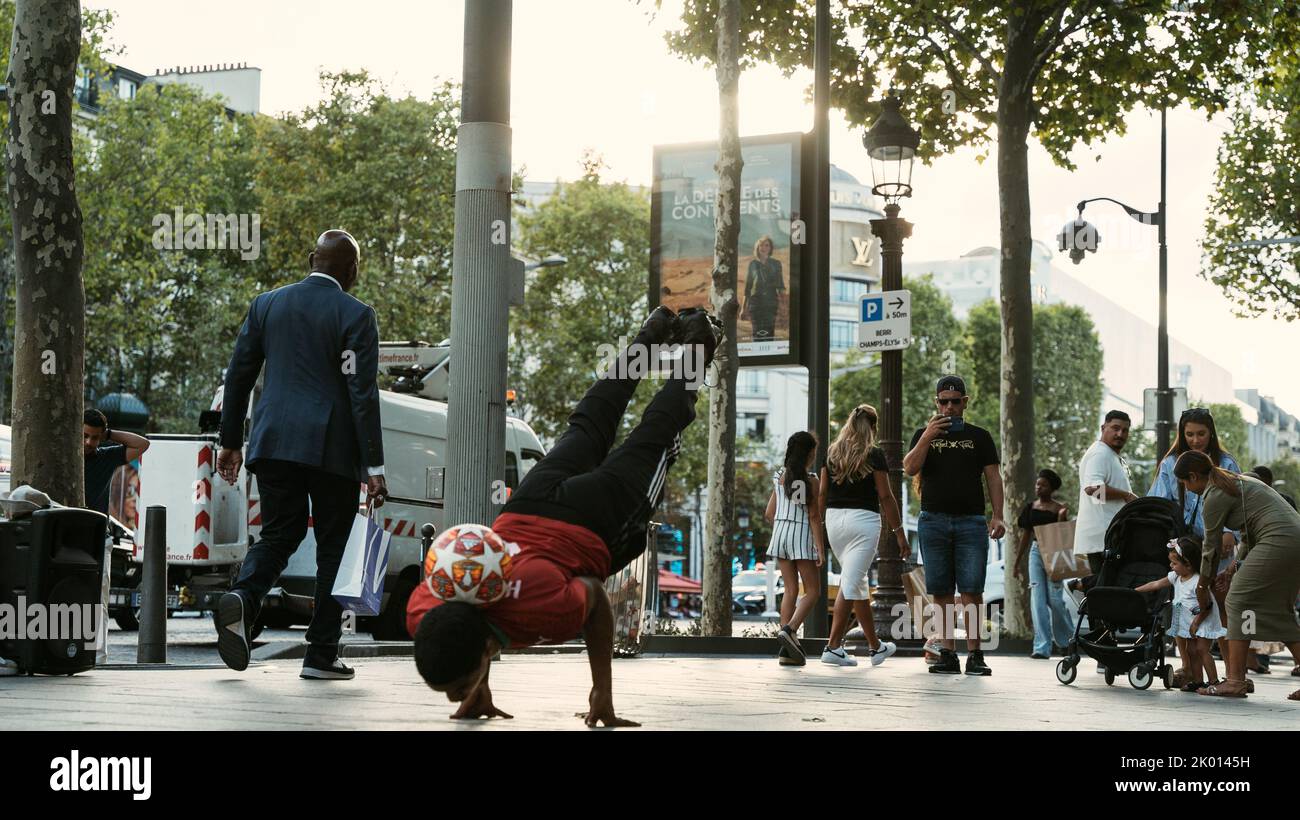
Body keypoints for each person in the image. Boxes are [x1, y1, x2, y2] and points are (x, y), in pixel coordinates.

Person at [407, 307, 721, 726]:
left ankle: (699, 344)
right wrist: (477, 688)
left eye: (461, 688)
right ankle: (652, 333)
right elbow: (471, 626)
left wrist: (602, 692)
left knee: (656, 436)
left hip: (596, 523)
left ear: (486, 652)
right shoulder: (424, 609)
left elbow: (594, 596)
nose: (453, 698)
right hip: (525, 507)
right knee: (589, 423)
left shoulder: (540, 614)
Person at [213, 230, 389, 681]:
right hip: (331, 450)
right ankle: (321, 654)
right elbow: (362, 394)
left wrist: (230, 440)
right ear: (352, 272)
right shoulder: (356, 315)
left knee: (278, 534)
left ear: (312, 259)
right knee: (333, 547)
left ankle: (245, 597)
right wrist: (374, 467)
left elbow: (239, 375)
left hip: (273, 442)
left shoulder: (266, 305)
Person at [1171, 451, 1300, 701]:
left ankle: (1235, 681)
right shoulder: (1235, 481)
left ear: (1193, 476)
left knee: (1237, 601)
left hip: (1279, 541)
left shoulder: (1215, 494)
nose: (1186, 488)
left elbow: (1211, 547)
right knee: (1280, 612)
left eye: (1185, 483)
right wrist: (1233, 568)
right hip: (1291, 541)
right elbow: (1252, 532)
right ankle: (1237, 678)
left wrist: (1202, 585)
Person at [903, 375, 1006, 676]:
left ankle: (975, 655)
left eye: (955, 401)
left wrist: (997, 515)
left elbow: (994, 478)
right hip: (932, 520)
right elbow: (909, 468)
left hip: (971, 522)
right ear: (936, 403)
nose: (949, 407)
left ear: (965, 402)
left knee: (972, 590)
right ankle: (948, 652)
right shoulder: (924, 434)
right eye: (943, 402)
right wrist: (927, 436)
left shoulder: (980, 436)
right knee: (941, 590)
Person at [818, 404, 908, 667]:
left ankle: (875, 647)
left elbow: (822, 493)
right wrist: (899, 532)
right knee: (851, 582)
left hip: (835, 521)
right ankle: (833, 647)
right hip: (863, 521)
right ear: (873, 426)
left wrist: (820, 527)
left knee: (857, 583)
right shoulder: (875, 454)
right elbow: (885, 496)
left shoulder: (832, 453)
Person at [1148, 408, 1241, 627]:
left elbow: (1238, 503)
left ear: (1211, 433)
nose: (1195, 440)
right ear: (1182, 434)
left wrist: (1230, 534)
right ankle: (1191, 660)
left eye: (1201, 433)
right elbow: (1158, 502)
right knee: (1185, 603)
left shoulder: (1226, 463)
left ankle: (1230, 655)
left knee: (1221, 602)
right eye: (1189, 434)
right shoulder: (1170, 463)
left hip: (1218, 543)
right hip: (1185, 545)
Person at [763, 431, 825, 667]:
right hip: (801, 535)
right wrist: (819, 547)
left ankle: (786, 651)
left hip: (780, 534)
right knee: (813, 592)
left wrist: (783, 524)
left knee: (789, 590)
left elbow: (769, 513)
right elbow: (813, 515)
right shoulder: (812, 480)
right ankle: (789, 630)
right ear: (810, 453)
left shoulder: (780, 476)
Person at [1134, 536, 1224, 692]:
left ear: (1188, 565)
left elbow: (1207, 606)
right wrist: (1135, 592)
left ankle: (1214, 682)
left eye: (1174, 563)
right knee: (1191, 651)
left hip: (1202, 620)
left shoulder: (1197, 582)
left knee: (1202, 650)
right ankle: (1197, 681)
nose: (1171, 566)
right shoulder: (1176, 576)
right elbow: (1156, 584)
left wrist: (1196, 623)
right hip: (1189, 621)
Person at [1012, 469, 1072, 660]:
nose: (1039, 487)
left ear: (1052, 488)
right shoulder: (1031, 507)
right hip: (1036, 552)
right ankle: (1042, 647)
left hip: (1054, 552)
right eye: (1037, 484)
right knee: (1037, 600)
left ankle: (1067, 642)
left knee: (1055, 600)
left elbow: (1063, 536)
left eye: (1043, 484)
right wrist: (1017, 562)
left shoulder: (1058, 508)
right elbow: (1026, 535)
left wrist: (1062, 517)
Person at [1072, 411, 1136, 577]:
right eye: (1115, 428)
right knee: (1107, 593)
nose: (1120, 434)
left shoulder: (1109, 454)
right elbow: (1093, 490)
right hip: (1103, 540)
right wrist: (1127, 496)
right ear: (1103, 427)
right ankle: (1081, 586)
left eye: (1125, 430)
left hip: (1109, 538)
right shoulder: (1100, 454)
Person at [83, 408, 150, 516]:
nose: (88, 442)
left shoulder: (106, 457)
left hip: (96, 528)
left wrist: (109, 434)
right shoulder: (62, 458)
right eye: (85, 436)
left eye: (95, 437)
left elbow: (143, 444)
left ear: (101, 437)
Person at [740, 235, 783, 343]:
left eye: (767, 245)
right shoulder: (753, 264)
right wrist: (743, 308)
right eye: (761, 245)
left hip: (771, 303)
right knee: (757, 332)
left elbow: (781, 286)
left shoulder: (776, 264)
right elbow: (747, 288)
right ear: (757, 248)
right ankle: (757, 356)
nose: (764, 248)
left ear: (770, 248)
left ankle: (769, 357)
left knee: (769, 332)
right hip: (755, 303)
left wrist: (783, 306)